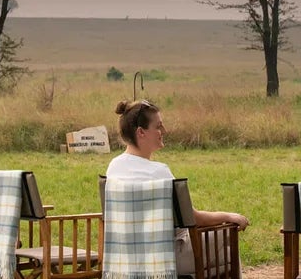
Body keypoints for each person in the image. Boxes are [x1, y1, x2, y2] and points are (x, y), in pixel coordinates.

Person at [105, 99, 249, 231]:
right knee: (227, 236)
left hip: (123, 249)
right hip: (166, 249)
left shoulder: (114, 166)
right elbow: (193, 217)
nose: (164, 131)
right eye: (158, 126)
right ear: (141, 132)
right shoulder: (159, 172)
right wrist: (228, 216)